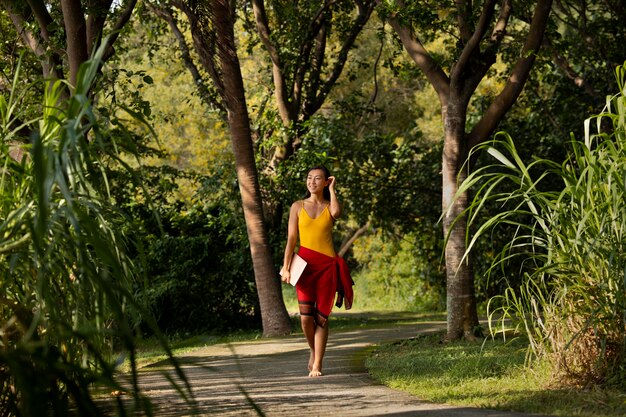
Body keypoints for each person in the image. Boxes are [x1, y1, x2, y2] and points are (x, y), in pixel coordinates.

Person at [281, 165, 353, 377]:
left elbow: (337, 213)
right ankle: (313, 350)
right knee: (305, 319)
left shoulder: (330, 206)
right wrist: (286, 267)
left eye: (318, 178)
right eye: (309, 178)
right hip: (304, 267)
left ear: (325, 182)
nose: (312, 182)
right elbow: (291, 240)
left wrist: (333, 189)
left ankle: (318, 365)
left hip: (326, 267)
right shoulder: (297, 206)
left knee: (321, 318)